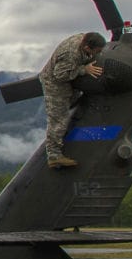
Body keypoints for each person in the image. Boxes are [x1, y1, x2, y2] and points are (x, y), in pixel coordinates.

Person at [38, 31, 106, 169]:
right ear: (87, 47)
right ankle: (54, 155)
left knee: (75, 106)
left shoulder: (83, 43)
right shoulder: (71, 53)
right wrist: (83, 70)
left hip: (69, 82)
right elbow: (60, 75)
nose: (96, 54)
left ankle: (67, 139)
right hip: (55, 84)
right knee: (59, 118)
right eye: (95, 52)